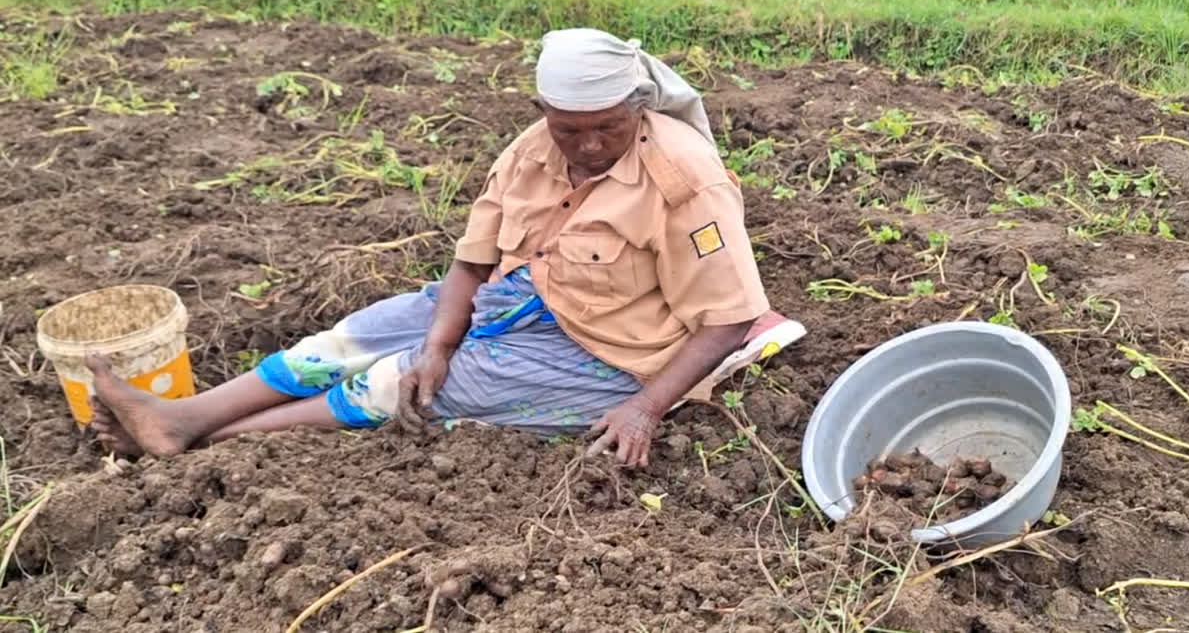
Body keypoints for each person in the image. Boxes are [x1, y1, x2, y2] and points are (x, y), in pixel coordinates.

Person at [86, 28, 804, 468]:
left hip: (619, 355)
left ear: (638, 108)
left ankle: (200, 440)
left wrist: (646, 407)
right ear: (542, 114)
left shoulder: (684, 180)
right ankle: (184, 416)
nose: (587, 145)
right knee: (349, 340)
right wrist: (440, 335)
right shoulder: (531, 151)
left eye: (608, 129)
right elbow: (473, 258)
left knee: (396, 385)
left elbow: (728, 318)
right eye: (569, 128)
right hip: (529, 298)